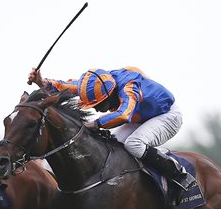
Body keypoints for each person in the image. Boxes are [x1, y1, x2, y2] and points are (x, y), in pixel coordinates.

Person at [28, 67, 196, 190]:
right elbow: (63, 86)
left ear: (111, 94)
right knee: (114, 145)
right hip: (141, 116)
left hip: (167, 116)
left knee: (134, 144)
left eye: (100, 104)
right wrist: (40, 82)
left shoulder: (129, 88)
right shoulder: (95, 84)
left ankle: (178, 174)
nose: (97, 109)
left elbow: (123, 115)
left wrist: (93, 124)